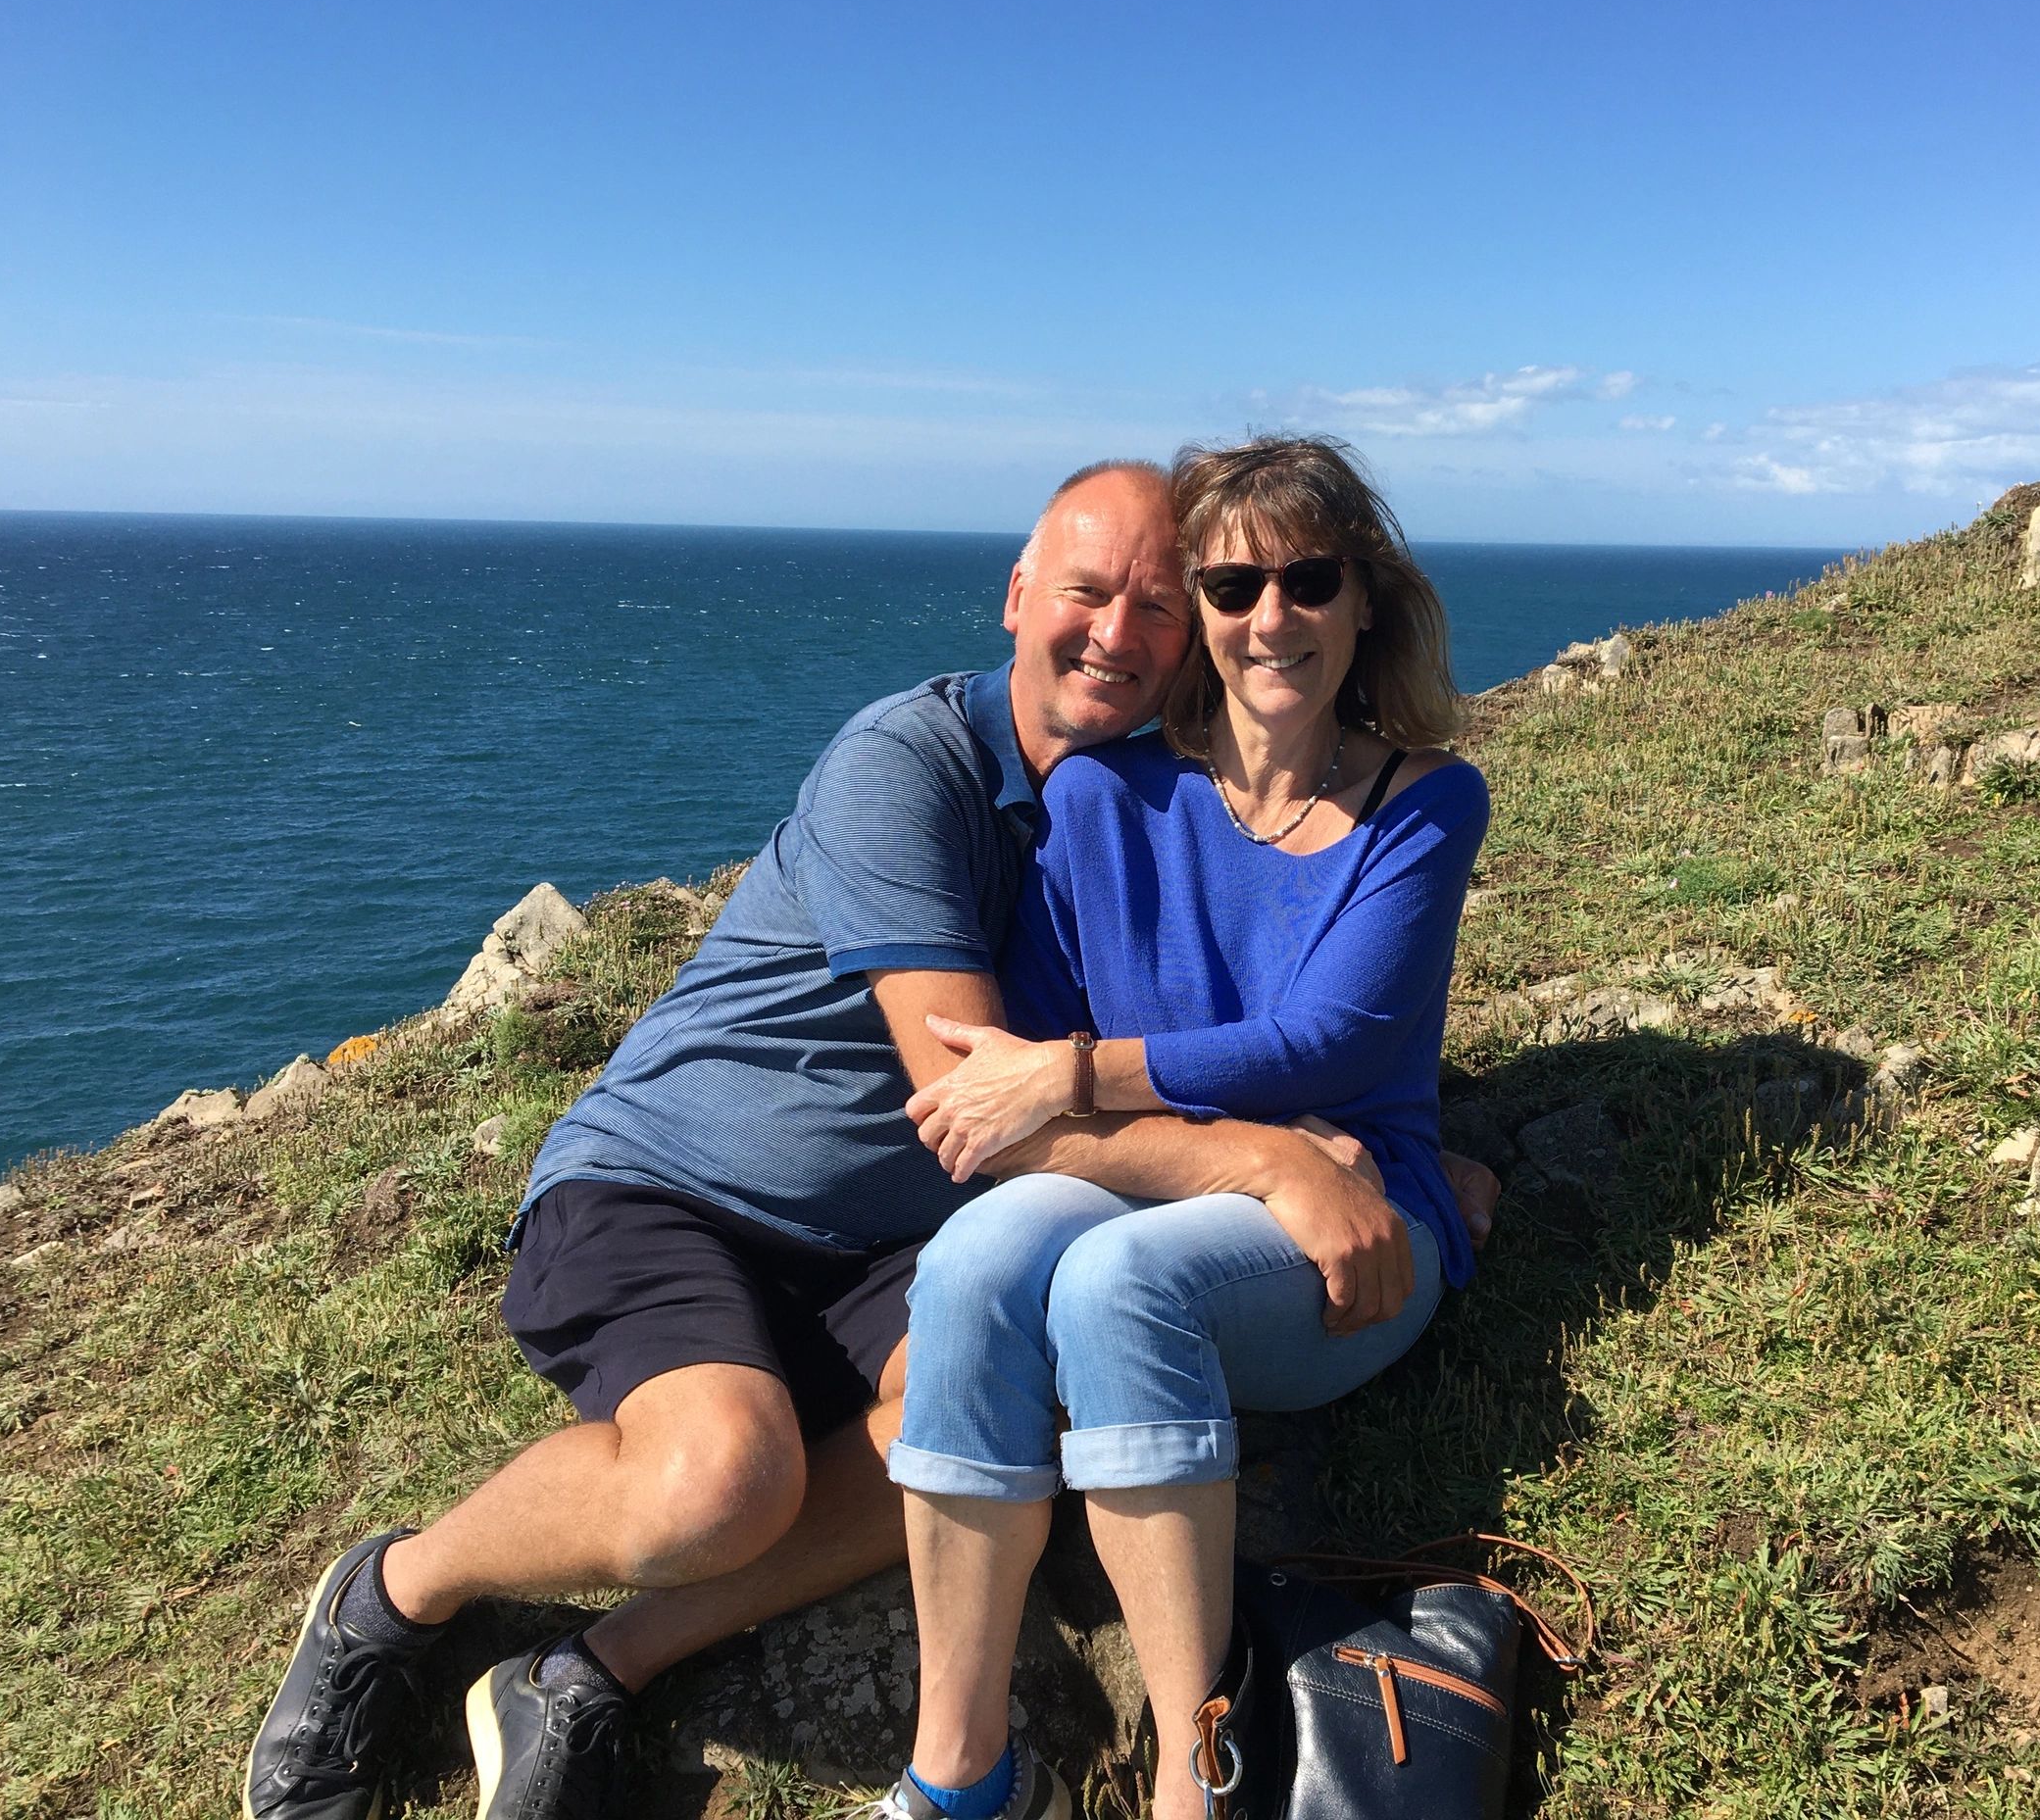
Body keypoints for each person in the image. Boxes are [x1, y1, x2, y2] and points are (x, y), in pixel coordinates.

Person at [238, 462, 1480, 1820]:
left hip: (887, 1236)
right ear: (1016, 596)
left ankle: (599, 1670)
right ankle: (391, 1594)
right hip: (680, 1188)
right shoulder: (911, 769)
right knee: (725, 1476)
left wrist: (1409, 1159)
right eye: (1090, 592)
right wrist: (1269, 1162)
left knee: (997, 1371)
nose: (1121, 633)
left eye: (1164, 602)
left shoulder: (1127, 792)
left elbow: (1256, 1022)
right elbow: (993, 1111)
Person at [877, 435, 1488, 1820]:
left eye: (1310, 580)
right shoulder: (1103, 798)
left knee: (1116, 1278)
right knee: (972, 1263)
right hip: (1177, 1178)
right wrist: (1225, 1130)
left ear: (1365, 605)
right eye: (1230, 586)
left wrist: (1080, 1072)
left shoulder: (1424, 803)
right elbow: (1008, 1084)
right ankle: (957, 1770)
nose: (1270, 617)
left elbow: (1330, 1038)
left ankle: (1186, 1764)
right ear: (1203, 618)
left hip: (1358, 1214)